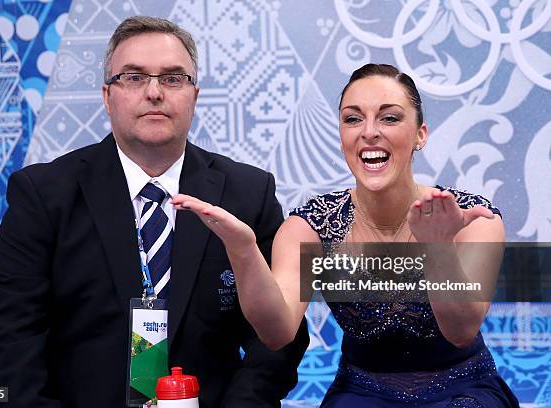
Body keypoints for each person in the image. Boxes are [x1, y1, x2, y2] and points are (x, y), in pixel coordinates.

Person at [0, 16, 308, 407]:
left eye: (172, 78)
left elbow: (282, 336)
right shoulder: (45, 194)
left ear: (194, 95)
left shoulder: (248, 193)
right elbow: (5, 336)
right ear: (106, 95)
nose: (154, 93)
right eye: (133, 78)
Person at [174, 63, 520, 407]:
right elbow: (277, 333)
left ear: (420, 134)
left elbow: (461, 332)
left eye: (390, 118)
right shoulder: (311, 226)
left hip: (462, 389)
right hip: (362, 394)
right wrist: (244, 249)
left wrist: (439, 246)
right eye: (353, 119)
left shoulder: (471, 218)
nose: (369, 132)